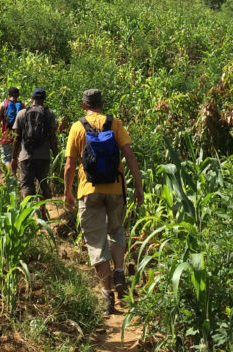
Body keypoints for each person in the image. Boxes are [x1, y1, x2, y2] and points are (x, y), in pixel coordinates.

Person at [64, 88, 144, 315]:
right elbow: (129, 155)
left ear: (83, 105)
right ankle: (119, 271)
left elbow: (70, 165)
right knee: (116, 231)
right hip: (116, 188)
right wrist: (138, 187)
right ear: (102, 103)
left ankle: (106, 294)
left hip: (88, 191)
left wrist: (67, 192)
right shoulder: (114, 122)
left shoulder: (77, 127)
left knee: (96, 241)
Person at [10, 87, 58, 207]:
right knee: (42, 183)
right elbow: (52, 137)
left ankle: (28, 214)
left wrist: (14, 158)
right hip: (43, 156)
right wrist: (56, 155)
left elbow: (17, 138)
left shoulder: (21, 114)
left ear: (32, 99)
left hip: (26, 156)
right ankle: (42, 211)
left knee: (26, 186)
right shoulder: (49, 114)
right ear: (44, 99)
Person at [0, 87, 23, 165]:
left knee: (7, 161)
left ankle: (10, 176)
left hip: (6, 137)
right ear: (18, 95)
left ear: (8, 95)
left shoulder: (4, 104)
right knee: (19, 160)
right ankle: (18, 176)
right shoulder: (22, 105)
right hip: (19, 138)